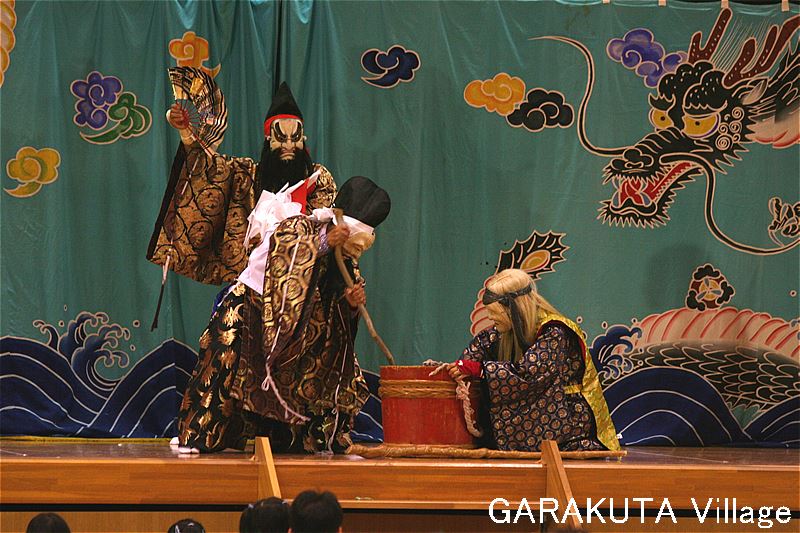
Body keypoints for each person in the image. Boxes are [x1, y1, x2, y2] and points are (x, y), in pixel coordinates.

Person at [448, 269, 620, 452]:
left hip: (569, 420)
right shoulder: (502, 332)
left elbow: (529, 374)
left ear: (513, 309)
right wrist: (459, 368)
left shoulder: (555, 331)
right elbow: (477, 351)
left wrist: (481, 370)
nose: (490, 318)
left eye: (494, 312)